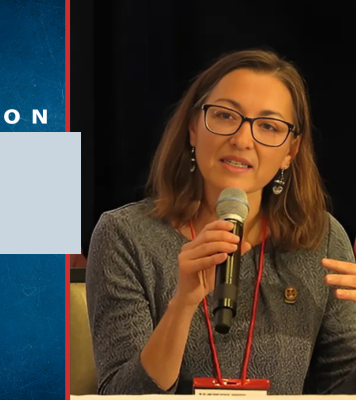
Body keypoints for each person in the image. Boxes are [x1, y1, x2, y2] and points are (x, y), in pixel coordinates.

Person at [85, 49, 356, 395]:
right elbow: (120, 394)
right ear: (193, 128)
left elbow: (341, 390)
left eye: (268, 126)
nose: (242, 140)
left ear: (290, 151)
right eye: (226, 116)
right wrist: (182, 305)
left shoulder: (323, 238)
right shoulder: (125, 236)